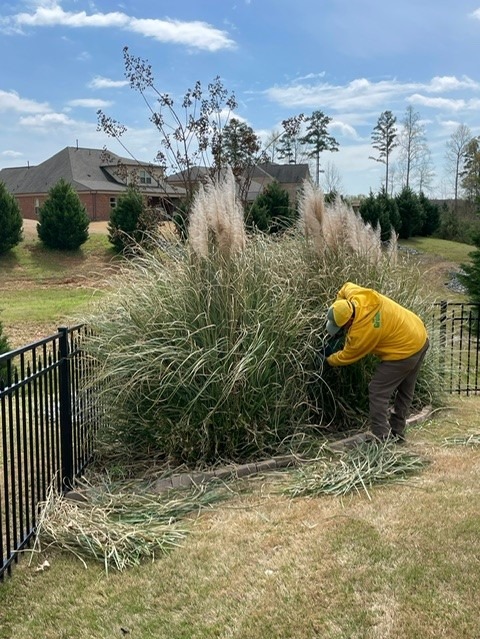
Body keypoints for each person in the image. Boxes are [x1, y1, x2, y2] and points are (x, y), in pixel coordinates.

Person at [323, 282, 429, 442]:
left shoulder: (363, 332)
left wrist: (327, 360)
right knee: (406, 389)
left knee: (378, 390)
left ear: (350, 321)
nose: (341, 330)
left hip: (404, 350)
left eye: (342, 327)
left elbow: (346, 356)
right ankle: (397, 433)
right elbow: (344, 287)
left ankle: (382, 437)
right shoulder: (357, 296)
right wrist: (338, 305)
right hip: (419, 333)